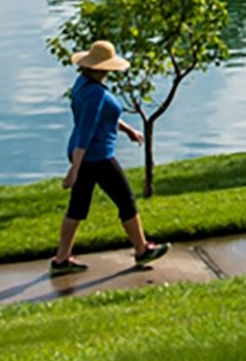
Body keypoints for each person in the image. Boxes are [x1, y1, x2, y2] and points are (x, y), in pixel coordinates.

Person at [51, 40, 171, 276]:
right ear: (103, 68)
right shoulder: (95, 93)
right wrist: (74, 170)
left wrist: (127, 130)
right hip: (96, 156)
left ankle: (61, 260)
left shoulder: (82, 84)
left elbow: (102, 116)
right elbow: (87, 129)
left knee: (77, 208)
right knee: (125, 200)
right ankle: (141, 250)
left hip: (86, 153)